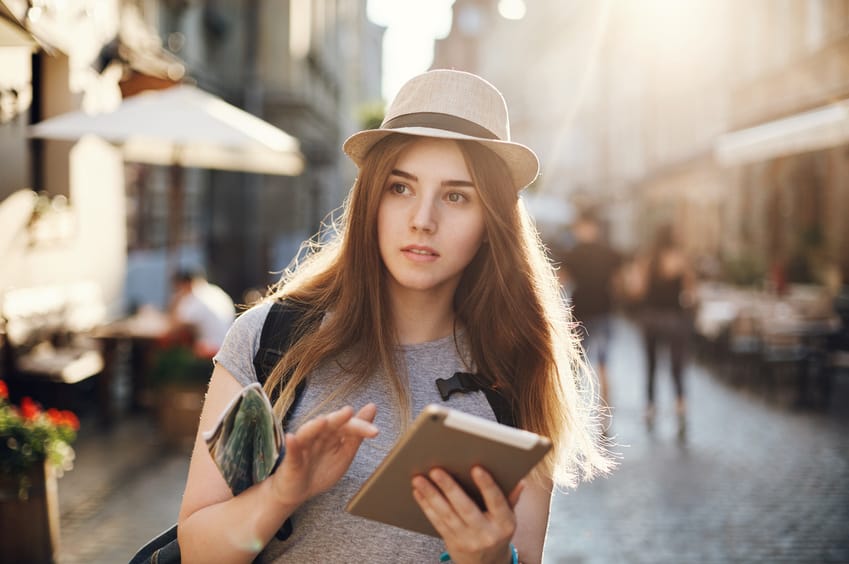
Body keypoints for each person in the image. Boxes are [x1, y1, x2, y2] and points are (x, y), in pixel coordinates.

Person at [177, 69, 612, 563]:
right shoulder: (270, 339)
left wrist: (489, 558)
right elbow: (198, 553)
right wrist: (282, 493)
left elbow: (524, 556)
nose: (422, 219)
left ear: (492, 222)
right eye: (400, 188)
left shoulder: (520, 368)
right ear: (370, 200)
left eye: (456, 196)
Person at [635, 223, 696, 440]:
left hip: (651, 316)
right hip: (674, 318)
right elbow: (690, 292)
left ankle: (651, 408)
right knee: (677, 367)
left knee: (651, 364)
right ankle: (681, 409)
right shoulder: (681, 259)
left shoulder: (647, 260)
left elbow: (639, 289)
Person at [558, 211, 623, 412]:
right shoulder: (609, 253)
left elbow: (560, 281)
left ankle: (573, 405)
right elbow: (620, 284)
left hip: (581, 312)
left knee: (576, 362)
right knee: (603, 363)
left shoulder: (573, 252)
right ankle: (605, 409)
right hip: (603, 310)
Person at [168, 269, 236, 358]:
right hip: (230, 345)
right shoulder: (215, 290)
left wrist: (176, 300)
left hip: (213, 348)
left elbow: (176, 326)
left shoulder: (196, 296)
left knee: (173, 352)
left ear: (185, 284)